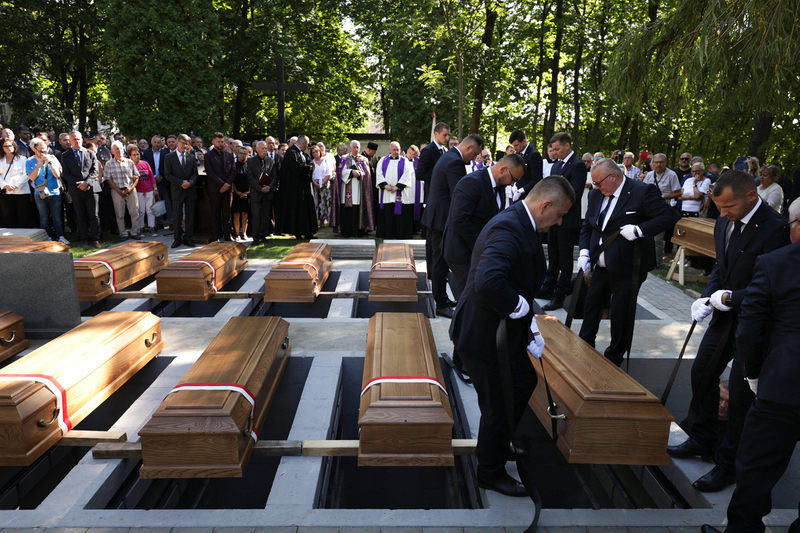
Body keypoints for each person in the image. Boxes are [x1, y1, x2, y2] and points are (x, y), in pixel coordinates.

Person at [449, 176, 575, 496]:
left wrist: (529, 319)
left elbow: (517, 277)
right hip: (483, 335)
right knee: (500, 403)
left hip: (500, 331)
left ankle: (498, 444)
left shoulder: (521, 221)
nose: (559, 222)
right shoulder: (509, 227)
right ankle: (489, 471)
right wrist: (518, 305)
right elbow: (489, 280)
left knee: (521, 385)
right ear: (545, 205)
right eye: (559, 214)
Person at [667, 170, 789, 492]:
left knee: (738, 395)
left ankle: (727, 465)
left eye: (728, 207)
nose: (722, 214)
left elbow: (773, 287)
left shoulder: (776, 229)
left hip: (756, 323)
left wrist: (730, 297)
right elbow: (722, 266)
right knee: (701, 373)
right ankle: (702, 438)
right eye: (718, 208)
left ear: (751, 196)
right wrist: (708, 296)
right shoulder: (723, 220)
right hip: (724, 317)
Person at [701, 198, 800, 533]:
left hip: (781, 386)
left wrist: (753, 375)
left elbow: (750, 329)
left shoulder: (777, 263)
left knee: (756, 468)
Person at [577, 158, 680, 366]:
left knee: (621, 314)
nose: (595, 187)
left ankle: (613, 359)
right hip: (600, 262)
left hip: (628, 266)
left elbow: (668, 216)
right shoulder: (597, 194)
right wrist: (584, 252)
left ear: (613, 176)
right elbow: (589, 225)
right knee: (591, 307)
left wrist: (639, 230)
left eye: (599, 183)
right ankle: (584, 348)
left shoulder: (642, 192)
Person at [444, 153, 525, 298]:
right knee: (469, 300)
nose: (513, 184)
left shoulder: (499, 185)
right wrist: (484, 245)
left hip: (477, 251)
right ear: (503, 170)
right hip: (462, 251)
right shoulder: (471, 182)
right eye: (513, 179)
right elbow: (460, 220)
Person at [421, 134, 485, 318]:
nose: (474, 158)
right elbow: (459, 194)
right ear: (468, 148)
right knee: (440, 260)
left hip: (437, 216)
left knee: (439, 260)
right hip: (441, 218)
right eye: (475, 154)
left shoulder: (448, 156)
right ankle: (441, 303)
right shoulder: (455, 162)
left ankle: (442, 298)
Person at [537, 132, 589, 310]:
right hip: (554, 219)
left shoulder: (578, 165)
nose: (555, 152)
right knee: (553, 255)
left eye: (557, 148)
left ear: (567, 146)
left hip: (567, 220)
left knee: (565, 260)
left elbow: (574, 194)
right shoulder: (556, 165)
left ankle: (561, 294)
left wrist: (559, 213)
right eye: (553, 149)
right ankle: (548, 287)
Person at [61, 130, 101, 248]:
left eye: (78, 139)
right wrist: (79, 184)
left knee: (94, 215)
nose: (77, 141)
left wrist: (87, 182)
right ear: (70, 141)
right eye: (74, 139)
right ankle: (85, 239)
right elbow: (66, 173)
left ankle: (95, 238)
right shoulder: (65, 156)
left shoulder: (90, 153)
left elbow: (95, 171)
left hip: (91, 188)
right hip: (76, 189)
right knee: (80, 215)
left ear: (82, 140)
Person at [26, 138, 68, 244]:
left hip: (54, 191)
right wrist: (38, 166)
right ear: (33, 149)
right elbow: (32, 178)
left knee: (57, 217)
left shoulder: (53, 158)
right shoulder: (29, 161)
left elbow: (57, 175)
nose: (43, 153)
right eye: (41, 151)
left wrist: (49, 162)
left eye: (45, 150)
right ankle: (47, 237)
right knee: (44, 217)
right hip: (39, 193)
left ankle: (61, 236)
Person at [276, 134, 317, 239]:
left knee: (307, 208)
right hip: (295, 187)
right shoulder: (291, 152)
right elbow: (298, 167)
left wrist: (310, 167)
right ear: (303, 143)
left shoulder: (302, 153)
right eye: (307, 145)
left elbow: (310, 163)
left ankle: (308, 232)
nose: (307, 147)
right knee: (297, 209)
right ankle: (298, 232)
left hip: (305, 186)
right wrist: (309, 168)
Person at [332, 140, 375, 237]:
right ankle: (346, 232)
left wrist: (360, 174)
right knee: (346, 211)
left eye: (358, 147)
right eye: (354, 147)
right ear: (350, 148)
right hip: (345, 190)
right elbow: (339, 173)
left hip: (358, 191)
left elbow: (367, 176)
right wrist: (351, 173)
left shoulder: (363, 159)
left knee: (357, 210)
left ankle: (358, 231)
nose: (356, 149)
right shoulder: (343, 158)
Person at [163, 134, 199, 248]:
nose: (185, 145)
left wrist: (190, 182)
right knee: (177, 215)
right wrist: (181, 183)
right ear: (177, 143)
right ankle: (177, 239)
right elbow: (167, 175)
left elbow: (195, 174)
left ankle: (188, 238)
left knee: (190, 215)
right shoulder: (169, 157)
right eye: (183, 143)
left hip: (190, 191)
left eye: (187, 143)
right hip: (177, 190)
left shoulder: (192, 157)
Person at [375, 141, 415, 239]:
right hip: (386, 193)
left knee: (400, 214)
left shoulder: (405, 161)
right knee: (387, 214)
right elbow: (378, 173)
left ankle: (400, 234)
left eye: (398, 150)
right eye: (394, 150)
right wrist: (385, 185)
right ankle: (387, 234)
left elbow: (407, 174)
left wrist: (398, 186)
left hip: (400, 192)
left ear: (400, 150)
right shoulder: (383, 160)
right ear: (389, 150)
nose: (396, 152)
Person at [104, 140, 141, 240]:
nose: (119, 150)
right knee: (119, 214)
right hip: (117, 191)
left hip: (130, 189)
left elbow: (137, 176)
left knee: (135, 212)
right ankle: (123, 234)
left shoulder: (129, 162)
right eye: (117, 148)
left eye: (121, 148)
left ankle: (135, 232)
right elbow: (108, 179)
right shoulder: (108, 164)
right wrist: (119, 191)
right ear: (112, 151)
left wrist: (131, 188)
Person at [205, 132, 237, 242]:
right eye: (218, 142)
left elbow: (233, 170)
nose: (220, 144)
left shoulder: (229, 155)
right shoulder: (208, 155)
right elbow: (210, 172)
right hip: (215, 189)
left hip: (228, 190)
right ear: (213, 142)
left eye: (222, 142)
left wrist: (227, 184)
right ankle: (216, 236)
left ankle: (228, 235)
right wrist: (222, 184)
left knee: (227, 214)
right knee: (215, 214)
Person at [247, 140, 279, 246]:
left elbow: (275, 176)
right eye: (263, 148)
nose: (265, 150)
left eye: (266, 148)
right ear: (257, 149)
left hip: (267, 193)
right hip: (256, 193)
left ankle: (264, 236)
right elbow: (250, 177)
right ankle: (255, 238)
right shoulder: (251, 161)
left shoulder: (271, 161)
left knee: (266, 216)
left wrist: (269, 187)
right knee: (256, 216)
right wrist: (260, 188)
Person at [0, 137, 32, 229]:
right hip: (6, 192)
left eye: (10, 145)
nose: (8, 147)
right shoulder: (0, 160)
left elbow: (26, 174)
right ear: (2, 148)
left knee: (23, 214)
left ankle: (23, 236)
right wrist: (5, 185)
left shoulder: (22, 159)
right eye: (5, 146)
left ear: (14, 146)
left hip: (21, 191)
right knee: (8, 215)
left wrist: (17, 185)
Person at [143, 135, 172, 229]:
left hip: (165, 180)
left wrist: (162, 177)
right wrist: (154, 177)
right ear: (151, 143)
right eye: (155, 142)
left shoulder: (166, 153)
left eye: (158, 142)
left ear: (161, 143)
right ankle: (159, 223)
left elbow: (168, 167)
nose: (156, 144)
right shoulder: (146, 153)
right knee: (155, 203)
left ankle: (171, 222)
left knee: (168, 202)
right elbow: (145, 167)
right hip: (152, 182)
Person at [130, 144, 158, 237]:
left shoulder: (145, 163)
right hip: (139, 191)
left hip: (149, 190)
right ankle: (141, 228)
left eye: (137, 154)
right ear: (130, 156)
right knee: (141, 211)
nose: (136, 156)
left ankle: (152, 227)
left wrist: (155, 188)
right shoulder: (130, 165)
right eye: (134, 155)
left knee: (150, 210)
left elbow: (151, 177)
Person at [509, 130, 543, 199]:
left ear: (524, 142)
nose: (515, 148)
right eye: (513, 146)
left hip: (528, 194)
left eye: (516, 145)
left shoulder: (534, 155)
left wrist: (522, 190)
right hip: (517, 190)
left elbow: (537, 179)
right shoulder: (518, 153)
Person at [231, 146, 250, 241]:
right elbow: (232, 180)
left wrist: (248, 192)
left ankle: (244, 233)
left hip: (248, 192)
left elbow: (252, 179)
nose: (242, 155)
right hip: (236, 192)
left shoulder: (250, 165)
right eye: (241, 153)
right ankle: (237, 234)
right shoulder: (233, 165)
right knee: (236, 214)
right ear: (237, 154)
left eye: (244, 153)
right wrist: (237, 192)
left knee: (245, 214)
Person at [311, 145, 332, 227]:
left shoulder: (326, 160)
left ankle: (325, 220)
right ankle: (317, 220)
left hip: (325, 182)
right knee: (316, 202)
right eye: (313, 153)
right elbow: (311, 175)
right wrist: (316, 184)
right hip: (315, 183)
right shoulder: (311, 162)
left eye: (316, 151)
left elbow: (329, 173)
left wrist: (322, 183)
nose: (315, 154)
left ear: (319, 151)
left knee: (325, 202)